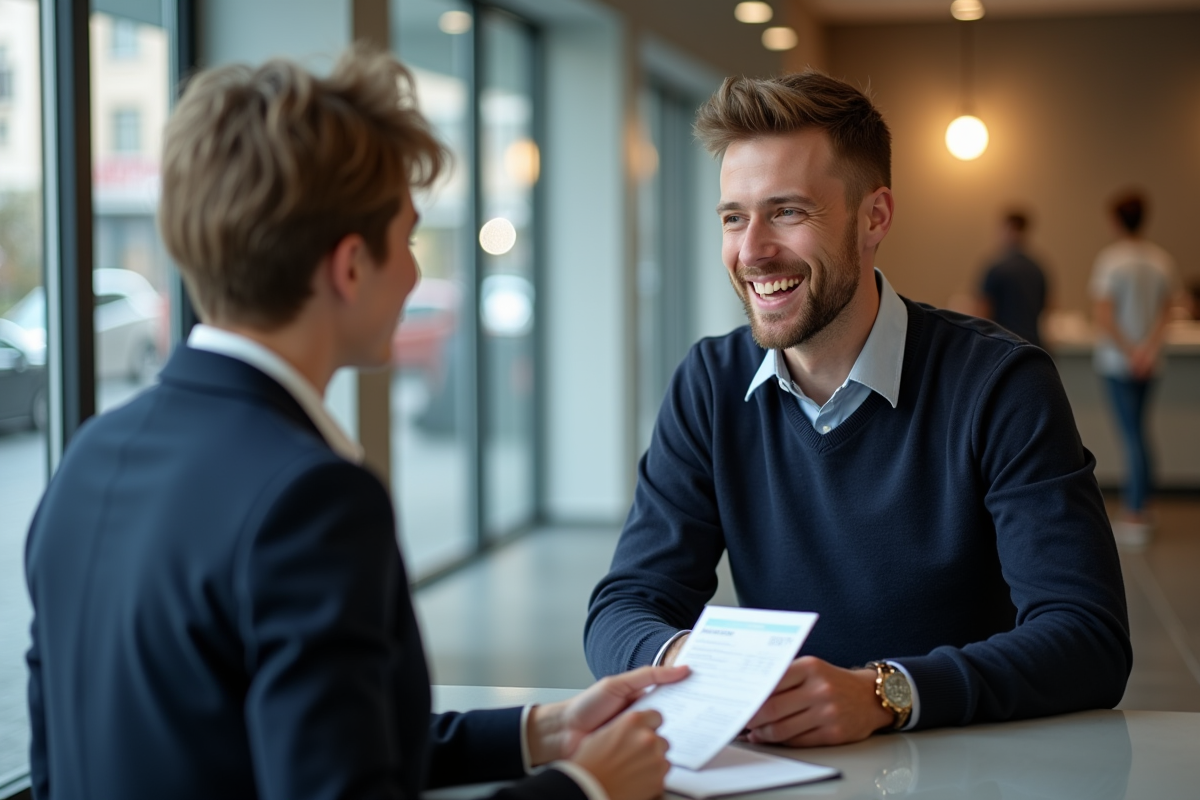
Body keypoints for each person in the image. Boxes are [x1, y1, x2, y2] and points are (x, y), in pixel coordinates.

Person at [24, 48, 687, 800]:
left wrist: (542, 733)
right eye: (405, 239)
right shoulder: (310, 500)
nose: (412, 272)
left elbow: (281, 743)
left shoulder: (91, 454)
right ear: (348, 267)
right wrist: (584, 788)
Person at [585, 71, 1131, 746]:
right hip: (788, 771)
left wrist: (885, 692)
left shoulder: (1000, 383)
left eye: (787, 212)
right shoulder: (709, 381)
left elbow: (1088, 637)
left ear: (874, 218)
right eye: (734, 216)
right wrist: (690, 663)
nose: (751, 251)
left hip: (964, 769)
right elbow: (624, 606)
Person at [1090, 191, 1176, 549]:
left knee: (1131, 436)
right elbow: (1166, 312)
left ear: (1115, 220)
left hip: (1118, 363)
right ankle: (1144, 504)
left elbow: (1104, 315)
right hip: (1149, 361)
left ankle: (1135, 513)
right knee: (1140, 432)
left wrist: (1129, 352)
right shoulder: (1161, 260)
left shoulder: (1111, 261)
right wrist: (1146, 351)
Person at [978, 210, 1048, 348]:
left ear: (1009, 229)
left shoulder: (997, 268)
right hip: (1033, 346)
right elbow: (1047, 307)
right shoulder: (1037, 269)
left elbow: (983, 313)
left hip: (1004, 346)